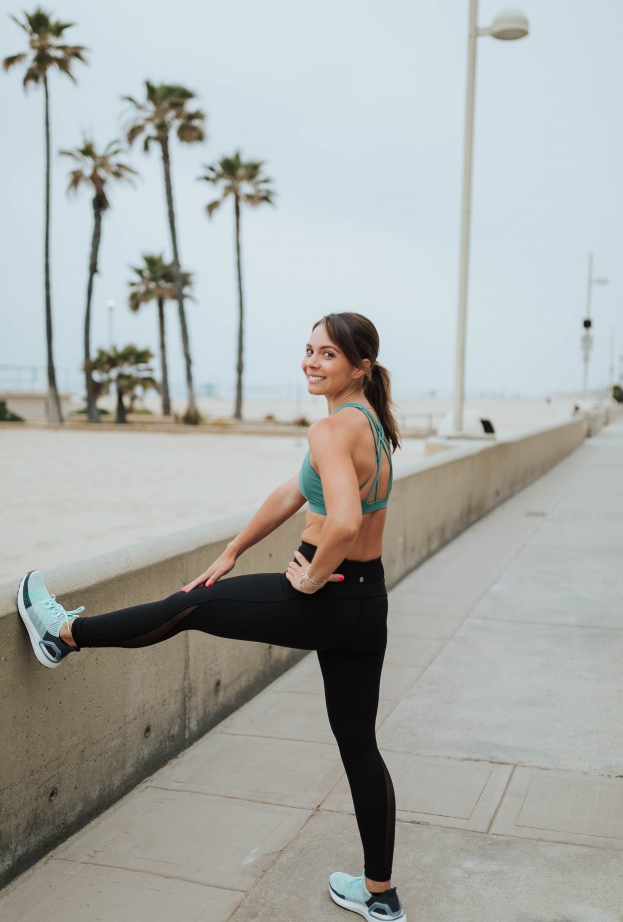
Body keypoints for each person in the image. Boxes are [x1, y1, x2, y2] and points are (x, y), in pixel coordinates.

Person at [17, 312, 407, 922]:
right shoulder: (374, 425)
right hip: (368, 603)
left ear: (359, 365)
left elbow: (345, 521)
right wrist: (233, 550)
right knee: (360, 745)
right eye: (308, 349)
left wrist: (307, 575)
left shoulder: (331, 430)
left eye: (326, 354)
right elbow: (292, 493)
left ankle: (60, 634)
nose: (311, 361)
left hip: (325, 595)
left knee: (189, 608)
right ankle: (380, 896)